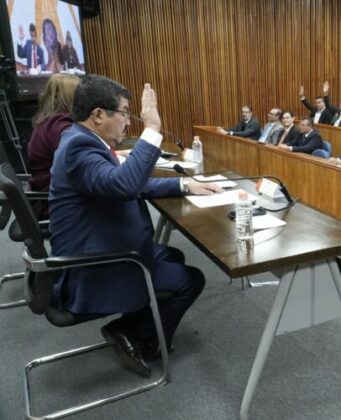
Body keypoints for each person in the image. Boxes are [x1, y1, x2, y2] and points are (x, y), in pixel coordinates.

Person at [48, 75, 224, 377]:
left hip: (105, 247)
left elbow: (129, 183)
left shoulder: (83, 140)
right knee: (191, 280)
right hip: (94, 267)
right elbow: (124, 184)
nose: (129, 122)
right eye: (124, 113)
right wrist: (152, 128)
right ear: (98, 115)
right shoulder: (80, 147)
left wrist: (184, 185)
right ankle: (135, 334)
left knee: (173, 256)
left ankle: (137, 323)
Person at [27, 73, 80, 218]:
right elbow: (79, 164)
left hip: (48, 196)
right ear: (71, 97)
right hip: (57, 204)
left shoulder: (48, 122)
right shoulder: (60, 126)